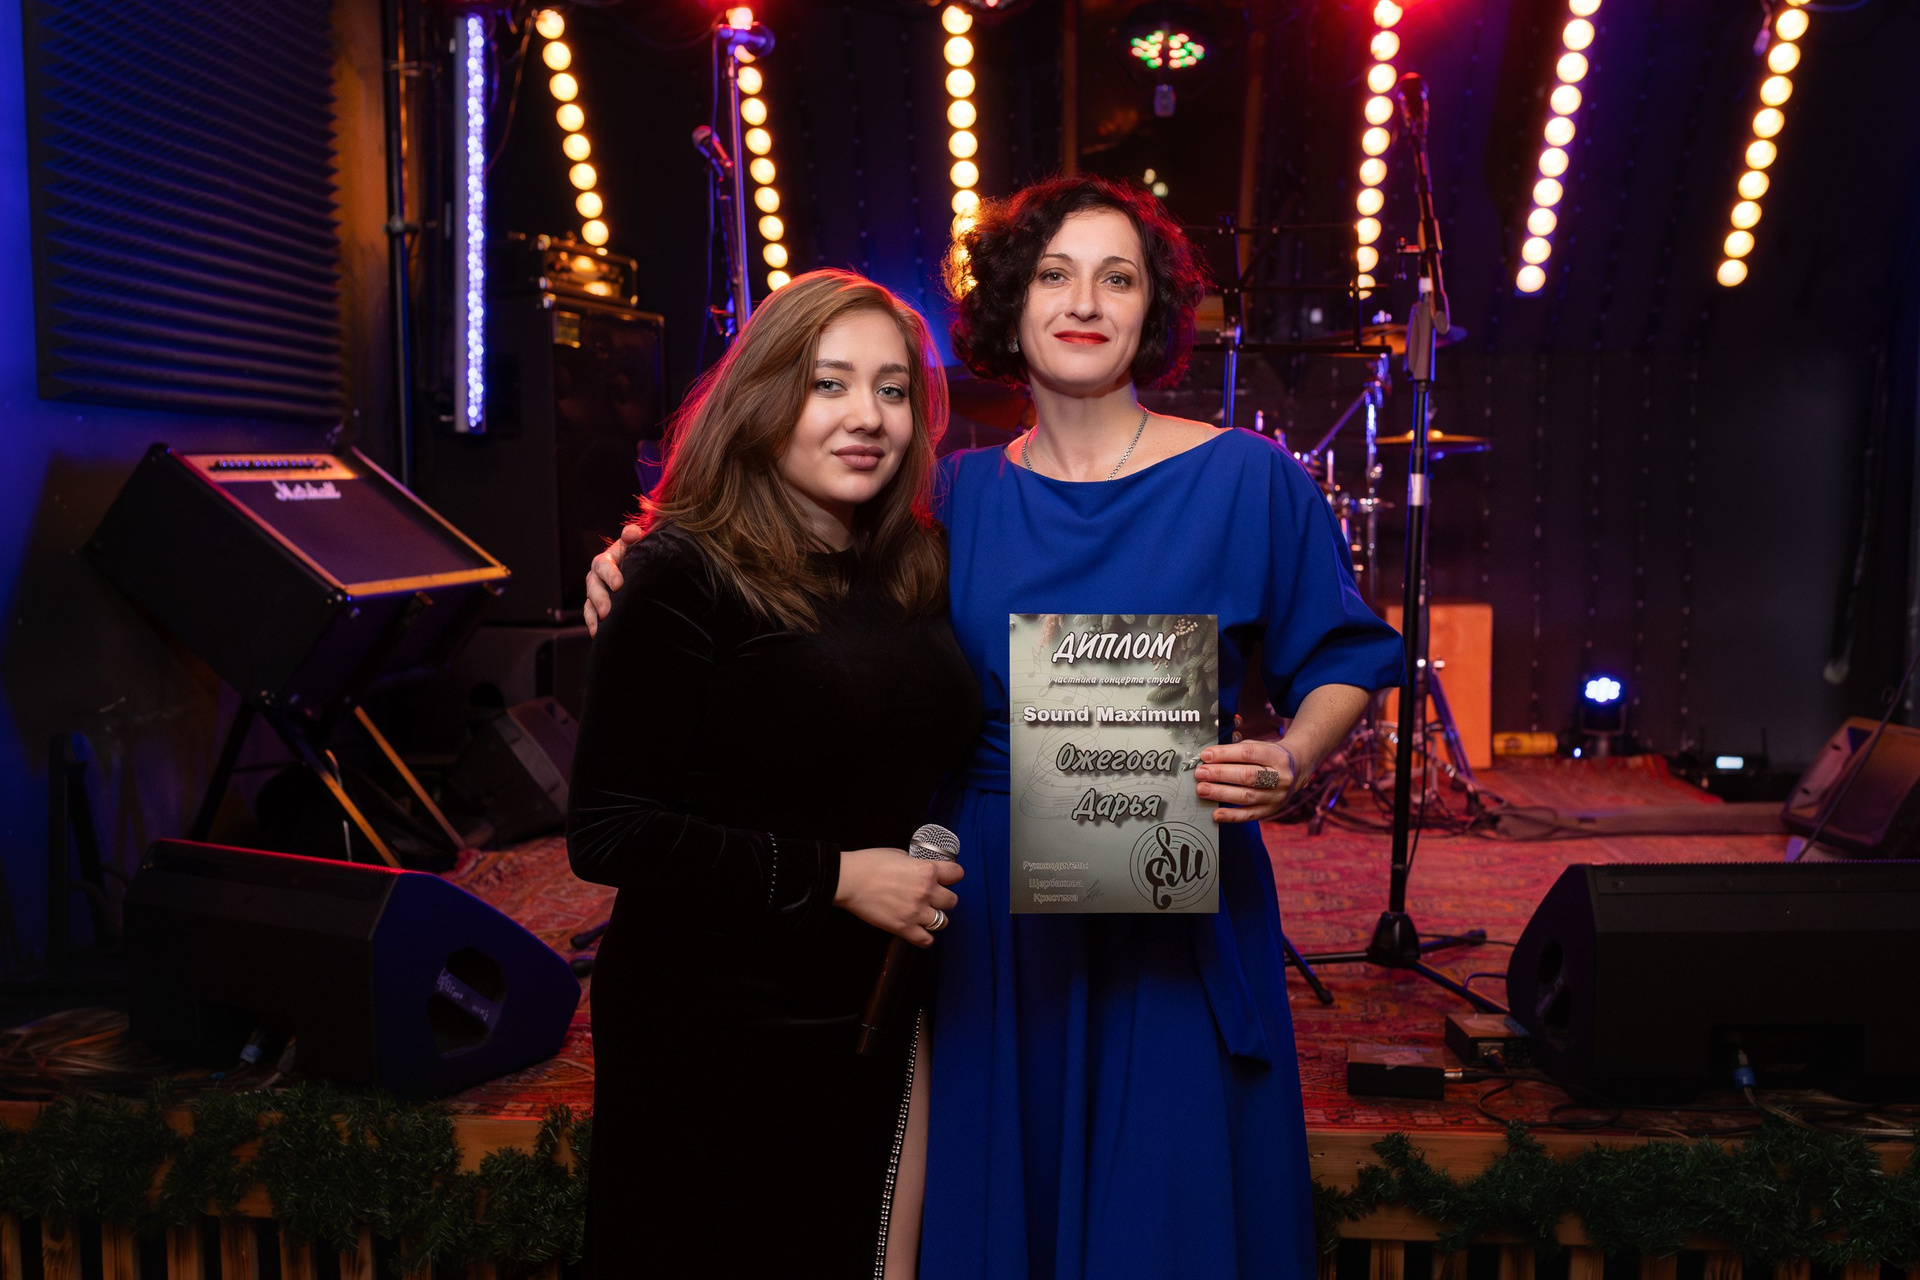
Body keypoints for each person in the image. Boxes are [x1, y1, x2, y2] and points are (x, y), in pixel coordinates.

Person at [588, 176, 1403, 1277]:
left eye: (1118, 278)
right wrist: (635, 558)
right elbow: (778, 552)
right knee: (995, 1205)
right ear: (1013, 303)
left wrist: (1293, 754)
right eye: (1055, 274)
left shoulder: (1245, 477)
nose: (1085, 302)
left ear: (1154, 309)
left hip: (1170, 888)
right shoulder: (946, 495)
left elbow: (1345, 653)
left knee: (1163, 1207)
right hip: (986, 909)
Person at [566, 268, 980, 1277]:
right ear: (763, 398)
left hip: (871, 1001)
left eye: (892, 389)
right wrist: (838, 876)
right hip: (714, 1022)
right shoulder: (680, 570)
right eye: (828, 383)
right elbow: (609, 830)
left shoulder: (912, 567)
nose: (867, 415)